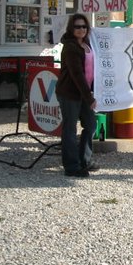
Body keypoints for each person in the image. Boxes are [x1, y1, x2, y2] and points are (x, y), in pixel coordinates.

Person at [56, 13, 98, 177]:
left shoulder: (88, 44)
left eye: (84, 26)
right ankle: (72, 166)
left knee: (91, 124)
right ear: (71, 29)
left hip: (84, 93)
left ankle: (85, 160)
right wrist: (89, 97)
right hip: (70, 93)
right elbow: (77, 75)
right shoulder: (70, 48)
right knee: (70, 129)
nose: (81, 29)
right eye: (77, 26)